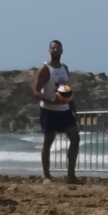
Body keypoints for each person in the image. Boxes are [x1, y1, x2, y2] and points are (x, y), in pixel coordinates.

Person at [34, 39, 79, 183]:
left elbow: (68, 90)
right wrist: (51, 100)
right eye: (53, 48)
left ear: (62, 50)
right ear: (49, 50)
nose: (55, 50)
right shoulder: (45, 68)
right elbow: (35, 92)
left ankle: (71, 175)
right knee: (48, 141)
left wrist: (74, 109)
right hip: (49, 110)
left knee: (75, 138)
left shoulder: (64, 68)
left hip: (64, 110)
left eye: (58, 48)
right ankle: (46, 175)